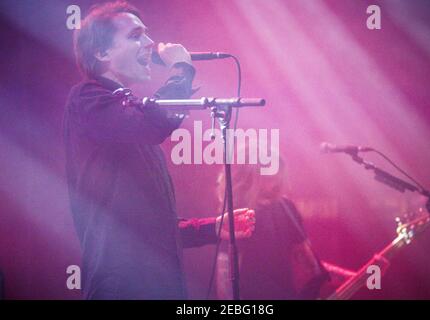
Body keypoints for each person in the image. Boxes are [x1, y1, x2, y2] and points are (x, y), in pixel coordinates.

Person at [63, 1, 254, 299]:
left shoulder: (131, 115)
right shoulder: (87, 99)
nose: (150, 43)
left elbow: (150, 229)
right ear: (102, 53)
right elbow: (153, 125)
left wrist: (210, 229)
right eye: (136, 35)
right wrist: (181, 69)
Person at [215, 155, 328, 299]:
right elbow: (226, 269)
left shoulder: (285, 206)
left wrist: (317, 288)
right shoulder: (240, 213)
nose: (275, 181)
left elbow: (308, 259)